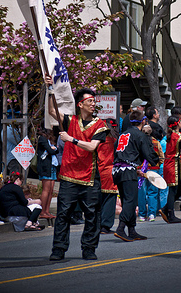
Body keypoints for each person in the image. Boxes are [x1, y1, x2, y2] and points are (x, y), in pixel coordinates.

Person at [45, 75, 108, 261]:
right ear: (80, 104)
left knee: (92, 216)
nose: (93, 104)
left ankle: (89, 249)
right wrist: (50, 90)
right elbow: (51, 111)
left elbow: (91, 147)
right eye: (89, 101)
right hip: (69, 177)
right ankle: (58, 249)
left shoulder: (100, 125)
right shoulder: (70, 121)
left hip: (90, 177)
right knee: (63, 214)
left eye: (94, 101)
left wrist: (71, 139)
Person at [113, 110, 159, 242]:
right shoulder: (139, 135)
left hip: (117, 170)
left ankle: (132, 230)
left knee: (127, 199)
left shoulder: (122, 135)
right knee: (130, 201)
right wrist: (156, 159)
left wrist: (135, 169)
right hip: (128, 170)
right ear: (143, 121)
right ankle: (121, 228)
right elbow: (149, 155)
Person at [137, 121, 164, 222]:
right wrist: (158, 164)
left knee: (141, 192)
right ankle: (152, 214)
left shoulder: (138, 141)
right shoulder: (156, 142)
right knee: (153, 192)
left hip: (141, 171)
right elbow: (161, 156)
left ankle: (141, 215)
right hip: (154, 170)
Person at [98, 118, 119, 234]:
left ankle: (98, 224)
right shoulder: (115, 139)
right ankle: (105, 225)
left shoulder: (98, 138)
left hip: (99, 170)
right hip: (110, 171)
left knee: (100, 199)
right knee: (110, 200)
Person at [37, 127, 58, 219]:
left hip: (52, 165)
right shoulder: (42, 138)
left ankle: (47, 211)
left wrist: (54, 149)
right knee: (46, 189)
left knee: (51, 190)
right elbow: (51, 150)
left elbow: (56, 150)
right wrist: (53, 149)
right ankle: (41, 211)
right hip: (45, 166)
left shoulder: (49, 139)